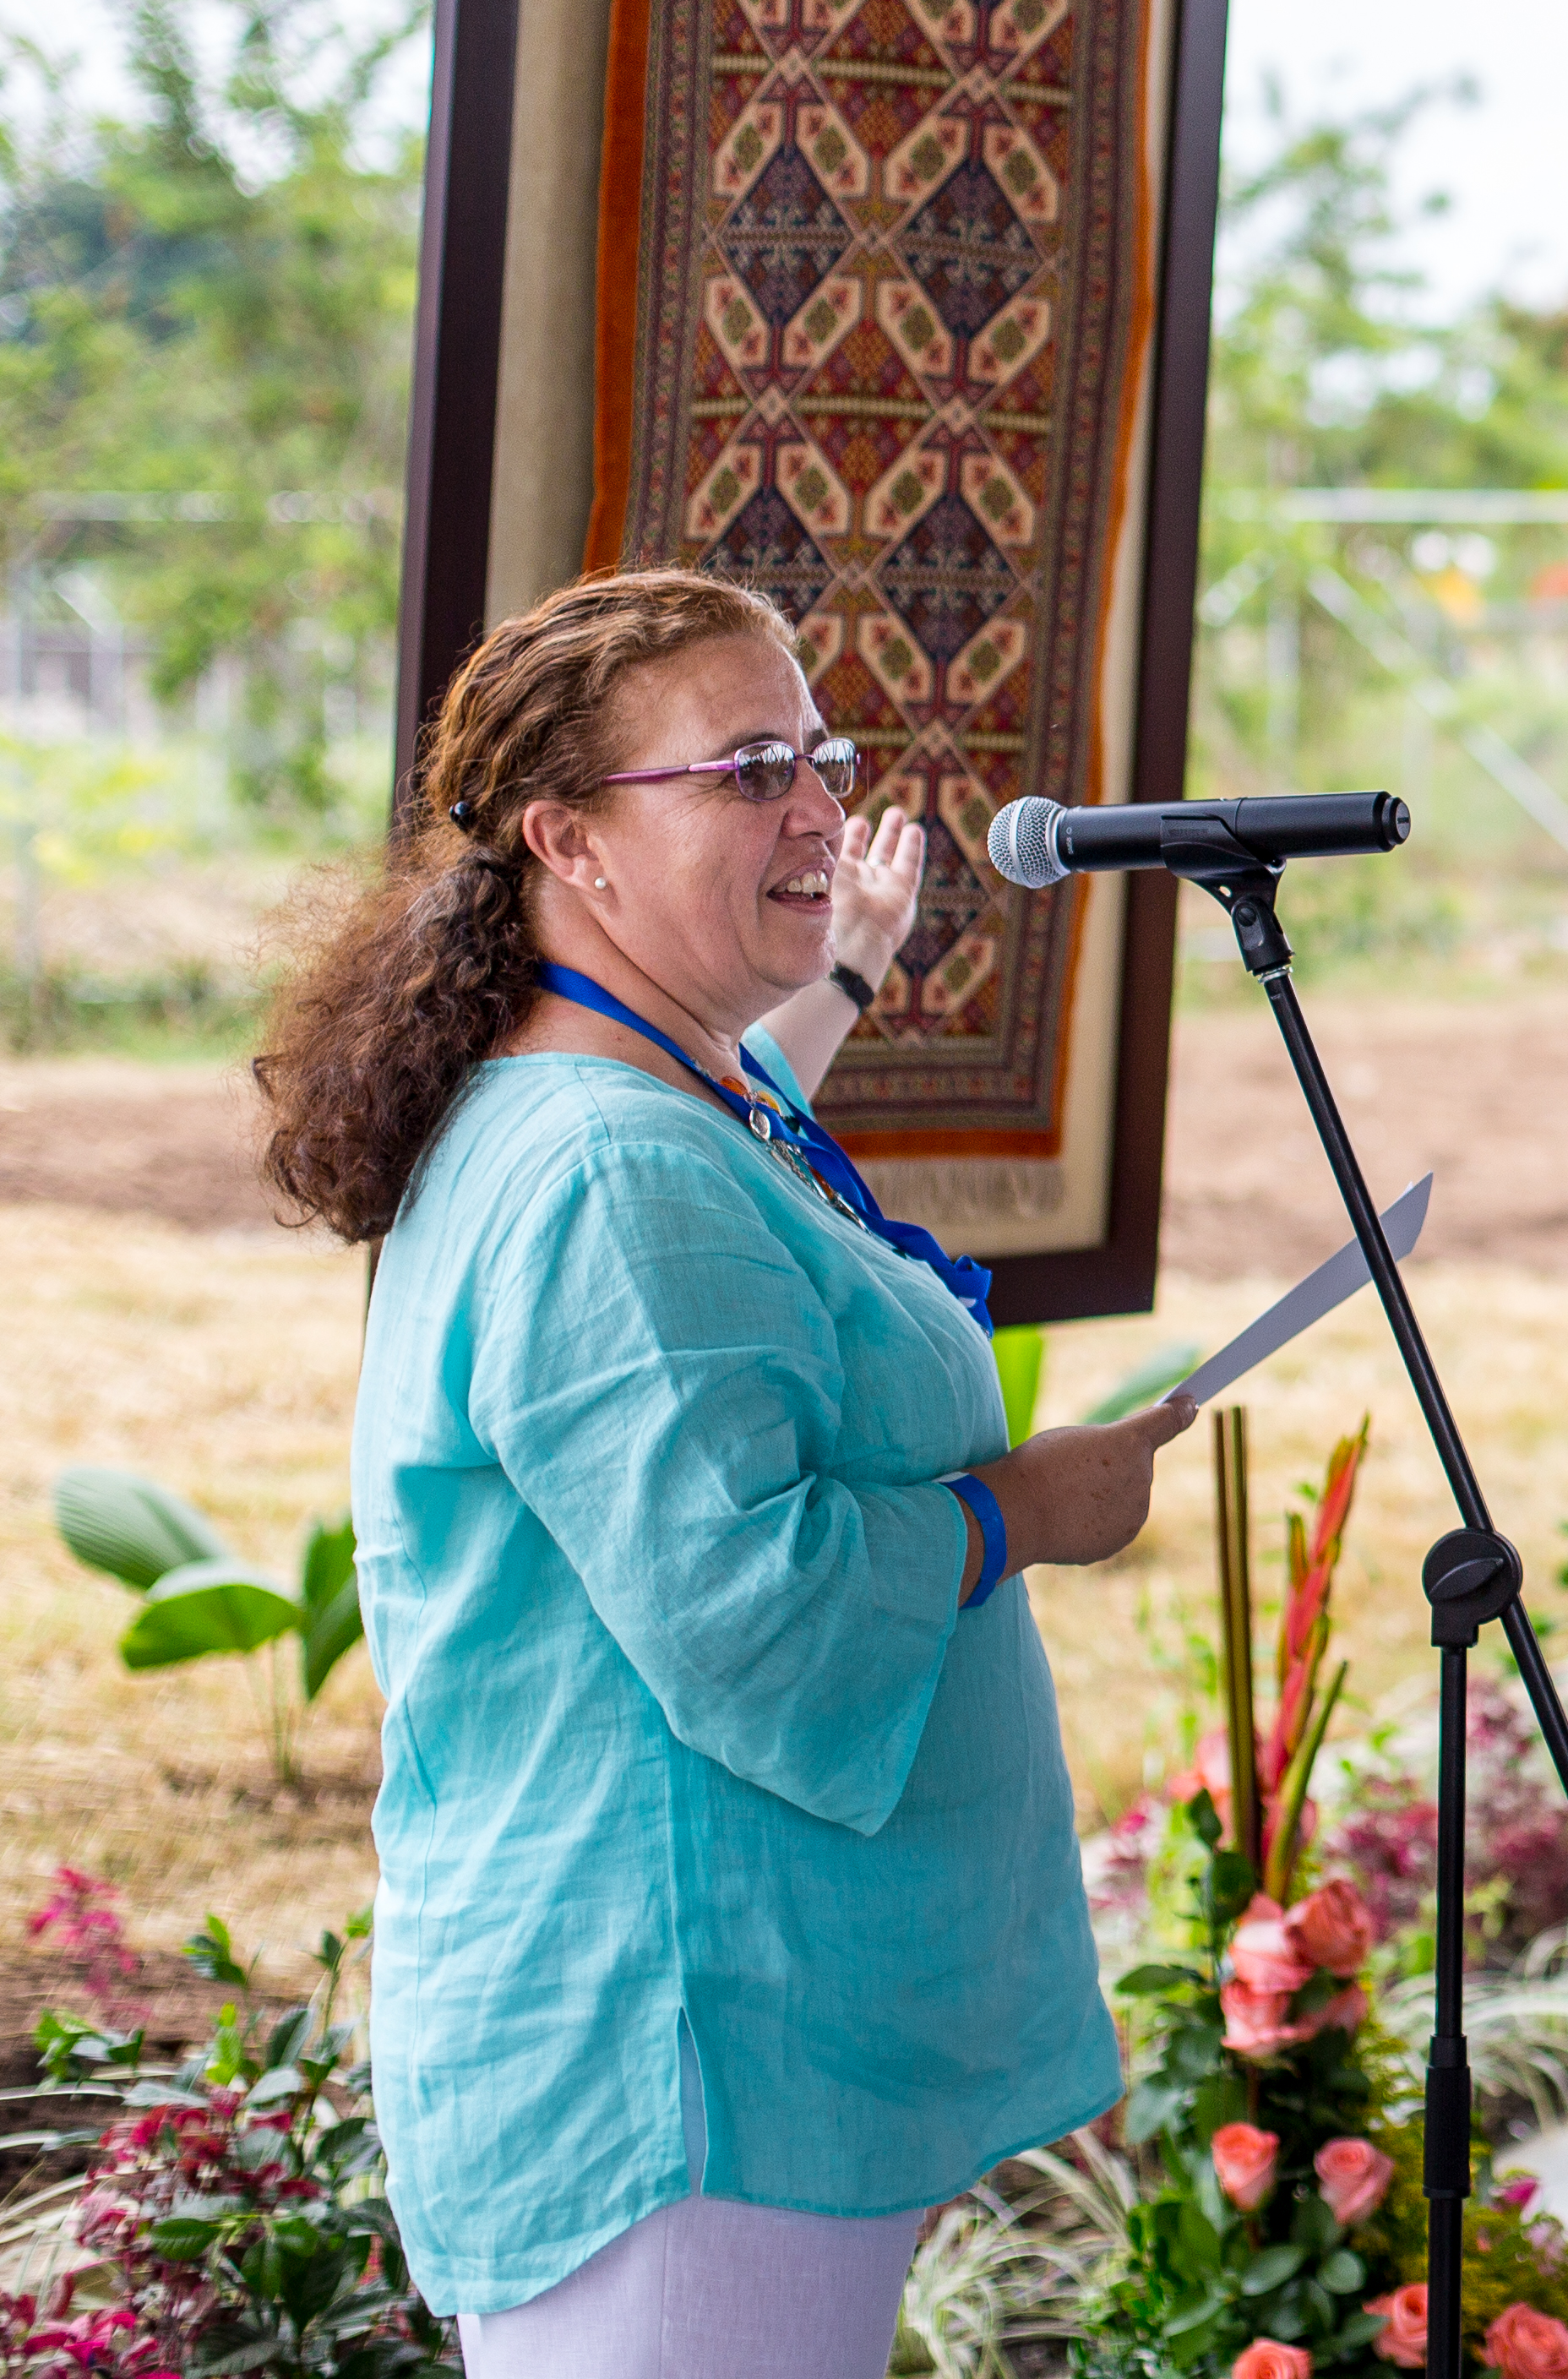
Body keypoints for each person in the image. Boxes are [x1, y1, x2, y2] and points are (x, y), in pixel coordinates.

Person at [263, 569, 1190, 2368]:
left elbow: (743, 1117)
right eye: (751, 767)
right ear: (573, 843)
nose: (822, 809)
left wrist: (844, 967)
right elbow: (752, 1612)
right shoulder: (612, 1165)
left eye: (819, 755)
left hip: (731, 2038)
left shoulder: (655, 1099)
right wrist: (1030, 1509)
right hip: (673, 2056)